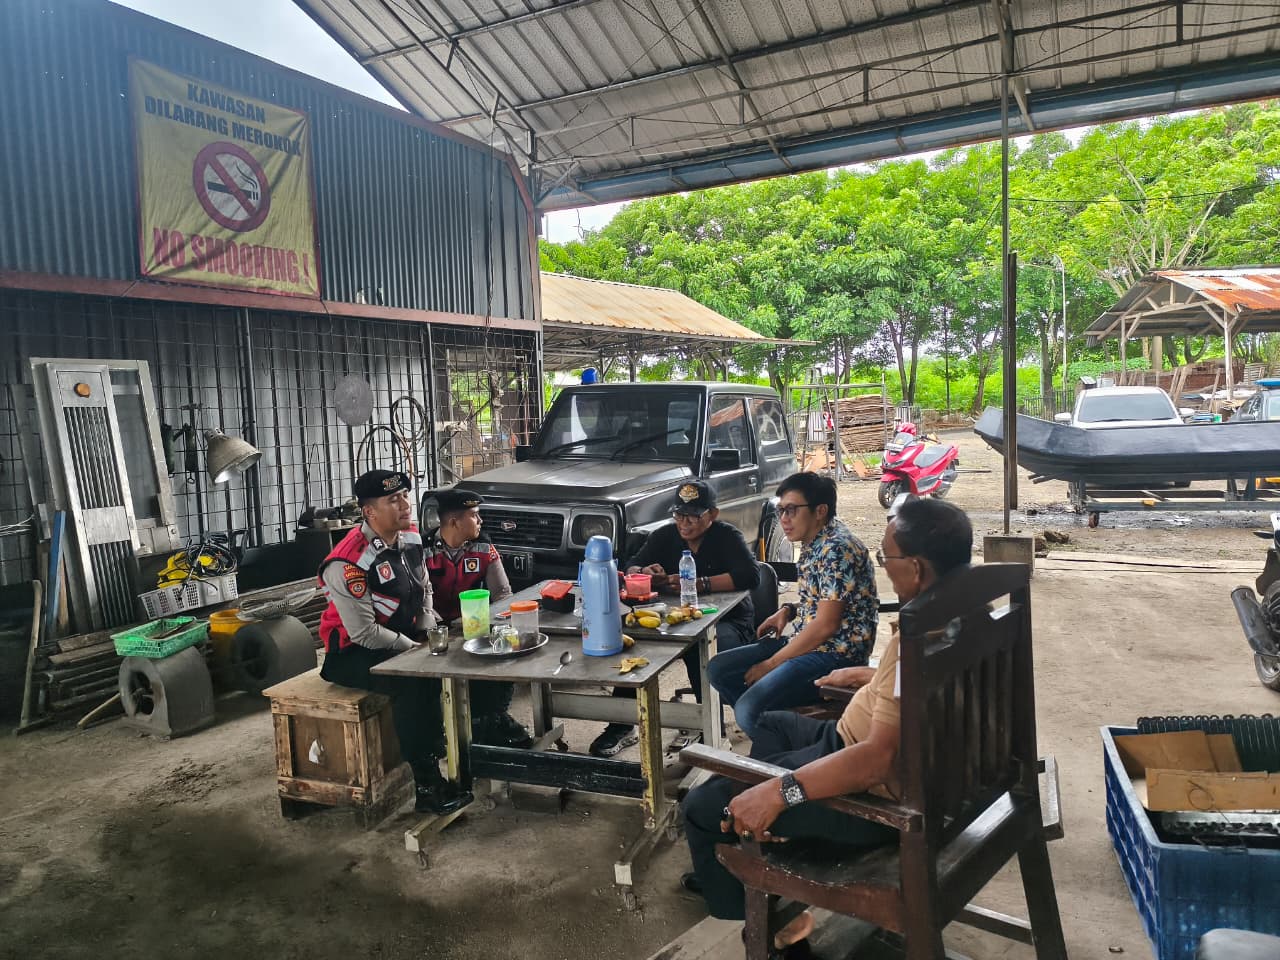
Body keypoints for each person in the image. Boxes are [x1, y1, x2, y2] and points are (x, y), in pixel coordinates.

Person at [681, 497, 975, 952]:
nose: (883, 568)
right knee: (772, 725)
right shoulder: (966, 612)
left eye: (886, 559)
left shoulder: (917, 638)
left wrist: (781, 792)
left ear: (916, 569)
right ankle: (770, 839)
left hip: (875, 799)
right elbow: (920, 690)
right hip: (879, 754)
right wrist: (874, 677)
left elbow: (876, 761)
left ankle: (776, 925)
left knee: (703, 806)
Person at [317, 469, 466, 814]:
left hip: (401, 635)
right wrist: (412, 648)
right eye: (393, 500)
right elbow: (364, 633)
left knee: (457, 656)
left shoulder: (409, 536)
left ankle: (464, 745)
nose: (405, 505)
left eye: (404, 496)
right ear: (369, 512)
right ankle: (427, 786)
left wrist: (429, 626)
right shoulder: (347, 562)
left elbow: (424, 587)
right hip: (351, 653)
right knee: (412, 681)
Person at [588, 480, 761, 758]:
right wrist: (645, 572)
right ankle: (621, 724)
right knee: (635, 645)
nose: (684, 523)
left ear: (712, 514)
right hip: (673, 618)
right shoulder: (665, 535)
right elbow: (631, 565)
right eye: (679, 515)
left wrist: (699, 583)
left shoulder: (727, 537)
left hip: (728, 620)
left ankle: (711, 728)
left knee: (700, 649)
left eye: (693, 516)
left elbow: (750, 576)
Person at [707, 472, 877, 739]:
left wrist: (771, 664)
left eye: (792, 510)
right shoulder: (816, 540)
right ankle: (779, 728)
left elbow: (826, 624)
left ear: (820, 511)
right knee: (719, 669)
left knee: (749, 710)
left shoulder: (836, 548)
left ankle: (797, 745)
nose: (784, 519)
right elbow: (829, 599)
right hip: (809, 642)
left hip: (835, 654)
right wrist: (789, 610)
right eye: (781, 510)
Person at [425, 486, 534, 749]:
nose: (480, 521)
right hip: (434, 631)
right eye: (474, 515)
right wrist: (442, 628)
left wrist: (501, 626)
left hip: (476, 627)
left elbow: (503, 594)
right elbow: (419, 601)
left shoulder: (484, 547)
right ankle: (469, 727)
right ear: (454, 522)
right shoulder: (423, 551)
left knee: (507, 650)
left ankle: (493, 718)